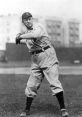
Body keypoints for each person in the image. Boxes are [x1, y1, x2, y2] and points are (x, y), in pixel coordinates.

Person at [15, 12, 69, 117]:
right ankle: (26, 109)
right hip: (35, 59)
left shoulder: (38, 26)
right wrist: (18, 38)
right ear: (23, 22)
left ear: (32, 19)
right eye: (26, 19)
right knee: (31, 85)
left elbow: (36, 35)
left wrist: (20, 36)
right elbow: (27, 41)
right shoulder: (28, 32)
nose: (28, 21)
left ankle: (63, 109)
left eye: (30, 18)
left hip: (48, 55)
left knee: (54, 82)